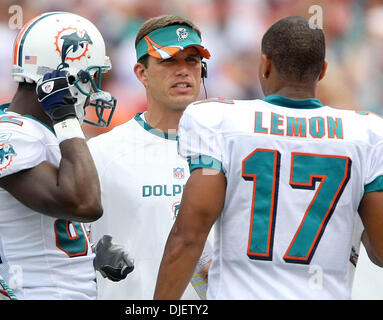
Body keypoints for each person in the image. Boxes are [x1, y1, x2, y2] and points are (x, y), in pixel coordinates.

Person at [154, 16, 383, 300]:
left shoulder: (217, 119)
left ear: (265, 64)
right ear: (322, 71)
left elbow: (189, 236)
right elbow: (380, 250)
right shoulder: (367, 133)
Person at [0, 11, 126, 300]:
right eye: (90, 77)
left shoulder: (45, 132)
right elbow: (83, 203)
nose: (97, 90)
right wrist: (67, 119)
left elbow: (42, 228)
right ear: (65, 76)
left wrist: (89, 255)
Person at [87, 14, 212, 300]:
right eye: (169, 61)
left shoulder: (229, 150)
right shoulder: (101, 153)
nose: (183, 70)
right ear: (141, 73)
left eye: (192, 60)